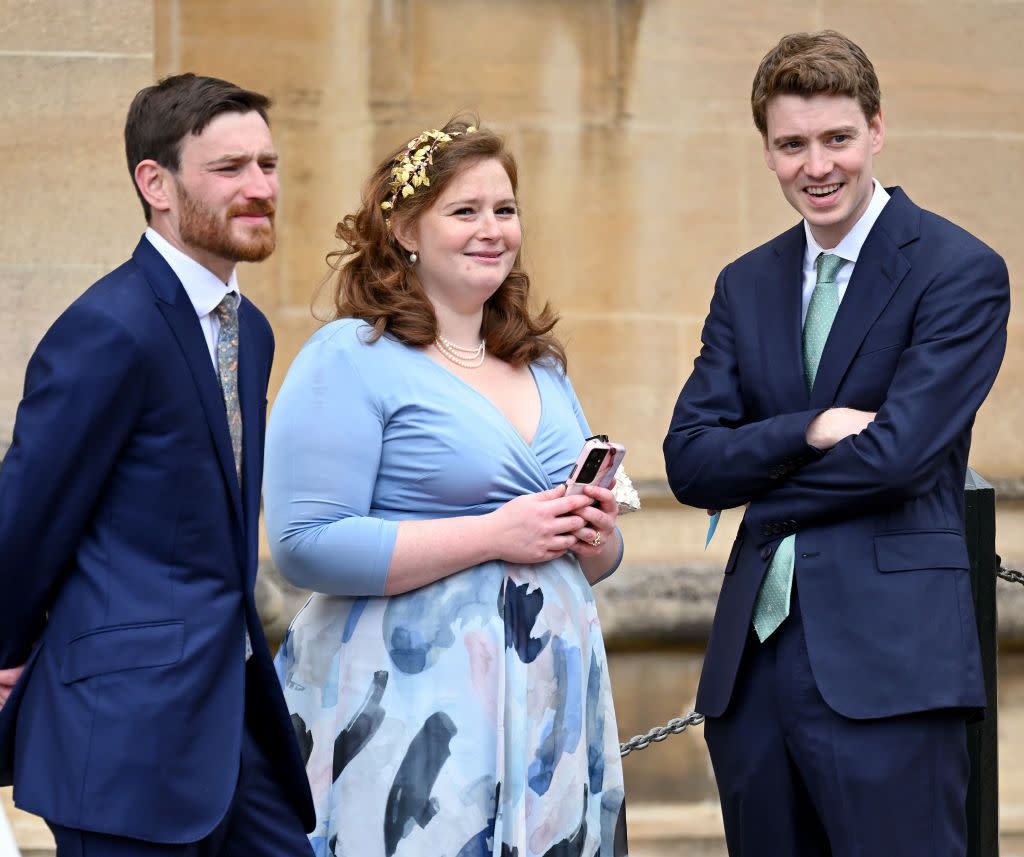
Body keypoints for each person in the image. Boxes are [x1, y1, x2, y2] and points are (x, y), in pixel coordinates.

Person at [663, 30, 1010, 857]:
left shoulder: (959, 270)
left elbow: (898, 456)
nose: (815, 166)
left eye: (836, 139)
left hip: (893, 669)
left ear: (877, 130)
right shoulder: (745, 283)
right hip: (753, 672)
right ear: (768, 151)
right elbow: (688, 458)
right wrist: (809, 430)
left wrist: (760, 486)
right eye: (791, 145)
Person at [265, 119, 628, 857]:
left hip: (548, 710)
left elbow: (593, 555)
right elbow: (303, 544)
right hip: (415, 717)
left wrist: (597, 534)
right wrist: (496, 534)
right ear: (404, 228)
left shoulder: (542, 366)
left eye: (505, 209)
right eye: (464, 212)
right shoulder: (352, 355)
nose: (492, 229)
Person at [0, 74, 315, 856]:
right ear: (156, 183)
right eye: (230, 168)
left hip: (230, 721)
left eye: (267, 166)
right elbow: (27, 514)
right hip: (122, 737)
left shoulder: (255, 333)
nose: (260, 188)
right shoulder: (110, 327)